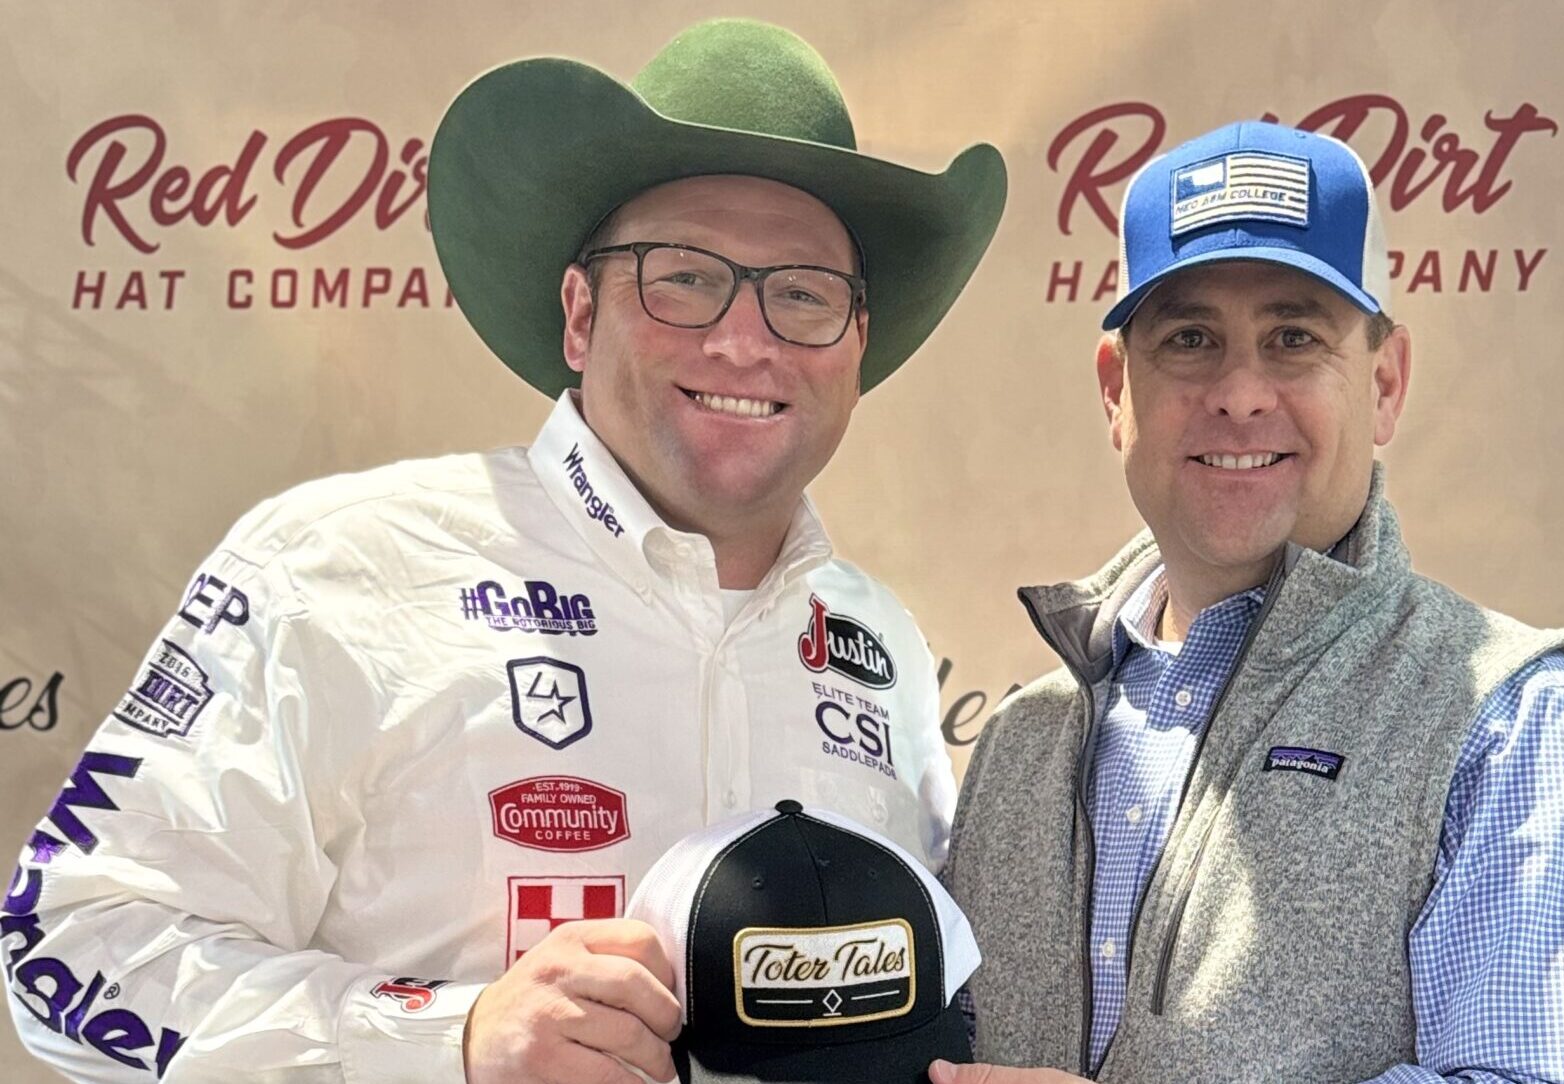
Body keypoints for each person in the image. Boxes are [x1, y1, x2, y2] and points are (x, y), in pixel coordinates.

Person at [4, 18, 1004, 1084]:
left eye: (801, 291)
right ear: (580, 315)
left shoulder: (874, 637)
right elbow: (70, 946)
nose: (744, 339)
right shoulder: (337, 568)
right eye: (685, 277)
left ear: (856, 344)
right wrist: (454, 1040)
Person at [935, 121, 1564, 1084]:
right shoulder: (1025, 740)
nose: (1241, 393)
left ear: (1384, 384)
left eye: (1294, 337)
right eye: (1189, 339)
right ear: (1114, 391)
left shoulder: (1526, 728)